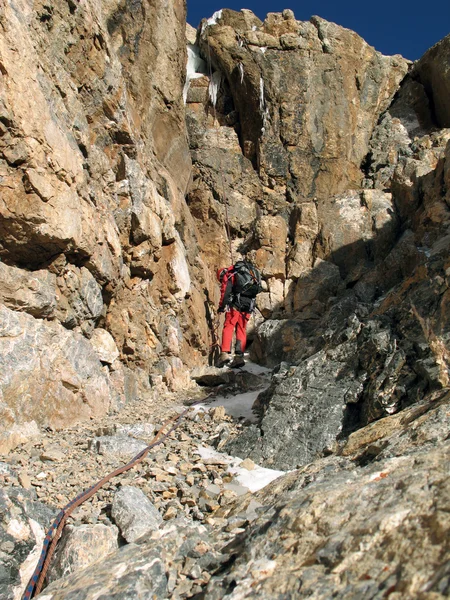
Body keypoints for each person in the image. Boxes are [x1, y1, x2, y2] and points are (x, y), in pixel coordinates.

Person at [216, 260, 262, 368]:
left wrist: (221, 306)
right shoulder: (249, 272)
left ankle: (224, 353)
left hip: (237, 302)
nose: (221, 280)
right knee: (241, 329)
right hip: (249, 304)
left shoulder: (230, 273)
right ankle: (239, 356)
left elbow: (225, 291)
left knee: (229, 325)